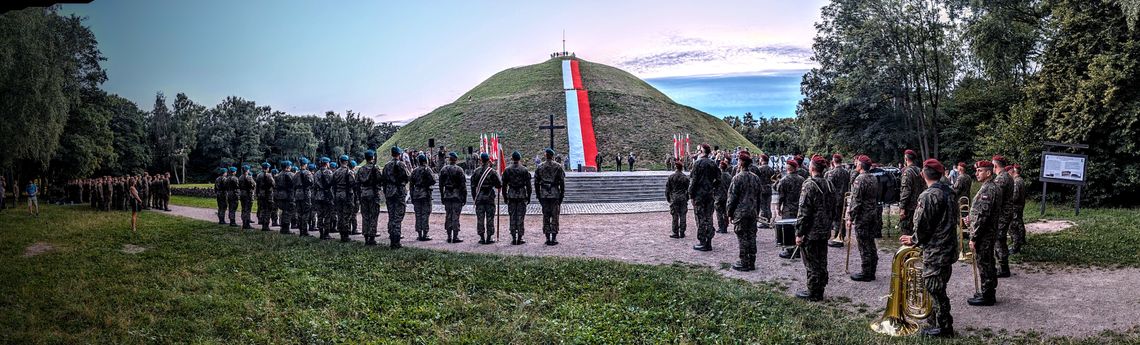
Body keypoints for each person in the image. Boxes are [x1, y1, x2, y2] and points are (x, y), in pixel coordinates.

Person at [899, 159, 958, 337]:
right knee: (940, 284)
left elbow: (922, 225)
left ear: (923, 174)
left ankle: (944, 328)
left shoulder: (928, 195)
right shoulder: (950, 191)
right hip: (948, 247)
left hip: (935, 250)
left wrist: (913, 239)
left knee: (935, 288)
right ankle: (935, 320)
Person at [795, 156, 835, 301]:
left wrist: (799, 233)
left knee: (811, 262)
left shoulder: (809, 185)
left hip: (811, 231)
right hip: (824, 229)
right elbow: (833, 207)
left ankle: (813, 292)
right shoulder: (829, 184)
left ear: (811, 168)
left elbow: (804, 212)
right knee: (822, 260)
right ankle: (820, 288)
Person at [966, 160, 1000, 306]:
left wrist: (974, 237)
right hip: (988, 232)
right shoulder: (990, 187)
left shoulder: (988, 189)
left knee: (984, 263)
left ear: (988, 172)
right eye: (977, 170)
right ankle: (988, 291)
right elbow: (981, 212)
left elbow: (983, 216)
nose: (977, 173)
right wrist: (971, 218)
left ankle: (987, 296)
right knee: (988, 262)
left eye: (980, 171)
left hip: (984, 234)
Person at [847, 155, 882, 282]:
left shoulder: (860, 179)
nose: (856, 165)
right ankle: (872, 270)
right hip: (873, 214)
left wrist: (850, 217)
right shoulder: (873, 177)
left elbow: (857, 201)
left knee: (864, 244)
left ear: (861, 165)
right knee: (870, 242)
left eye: (857, 163)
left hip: (863, 216)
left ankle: (866, 272)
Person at [727, 151, 761, 271]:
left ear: (741, 162)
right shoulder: (756, 178)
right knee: (752, 236)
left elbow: (732, 198)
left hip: (740, 213)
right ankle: (752, 261)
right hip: (752, 211)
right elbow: (759, 197)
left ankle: (744, 262)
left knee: (742, 237)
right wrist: (757, 211)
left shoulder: (737, 178)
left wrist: (729, 213)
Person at [688, 144, 721, 252]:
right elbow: (719, 179)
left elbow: (693, 181)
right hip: (709, 194)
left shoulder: (697, 163)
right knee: (709, 217)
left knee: (700, 218)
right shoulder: (713, 163)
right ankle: (709, 241)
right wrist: (712, 187)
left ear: (702, 152)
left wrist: (690, 194)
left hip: (699, 195)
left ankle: (703, 242)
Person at [535, 148, 566, 245]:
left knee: (546, 216)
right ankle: (554, 237)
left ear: (545, 155)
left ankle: (547, 237)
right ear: (553, 156)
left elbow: (536, 183)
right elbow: (562, 182)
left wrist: (538, 195)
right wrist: (561, 195)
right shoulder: (558, 166)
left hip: (544, 194)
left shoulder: (540, 166)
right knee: (555, 216)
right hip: (555, 194)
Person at [776, 160, 805, 259]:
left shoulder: (784, 180)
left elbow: (781, 196)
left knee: (788, 229)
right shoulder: (802, 179)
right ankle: (798, 251)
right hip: (799, 208)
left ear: (787, 168)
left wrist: (778, 208)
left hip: (788, 208)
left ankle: (790, 251)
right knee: (798, 228)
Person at [502, 151, 532, 245]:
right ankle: (520, 237)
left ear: (512, 158)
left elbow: (504, 186)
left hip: (511, 195)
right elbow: (528, 186)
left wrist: (505, 197)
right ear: (520, 158)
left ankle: (513, 237)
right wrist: (529, 196)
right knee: (520, 216)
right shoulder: (524, 170)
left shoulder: (507, 170)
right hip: (521, 195)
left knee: (512, 216)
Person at [990, 155, 1014, 277]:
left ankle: (1003, 268)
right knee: (1001, 240)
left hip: (1002, 214)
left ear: (995, 165)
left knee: (999, 241)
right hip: (1005, 213)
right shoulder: (1007, 176)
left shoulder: (1001, 178)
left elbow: (994, 197)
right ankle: (1003, 267)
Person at [471, 153, 501, 244]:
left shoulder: (476, 171)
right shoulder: (492, 172)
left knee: (480, 218)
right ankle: (489, 237)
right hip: (489, 197)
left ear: (481, 160)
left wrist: (474, 198)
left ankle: (481, 237)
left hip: (479, 197)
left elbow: (472, 186)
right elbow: (499, 184)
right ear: (488, 160)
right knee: (490, 217)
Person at [383, 147, 411, 248]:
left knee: (391, 215)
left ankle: (392, 237)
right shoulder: (401, 164)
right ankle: (396, 241)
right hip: (399, 191)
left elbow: (383, 180)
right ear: (399, 154)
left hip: (390, 192)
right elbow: (408, 176)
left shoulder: (386, 165)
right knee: (398, 216)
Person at [440, 152, 468, 243]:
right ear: (456, 159)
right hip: (457, 195)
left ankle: (449, 236)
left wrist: (442, 196)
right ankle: (455, 236)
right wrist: (464, 197)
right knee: (455, 216)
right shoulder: (459, 170)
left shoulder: (443, 169)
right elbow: (463, 185)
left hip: (447, 195)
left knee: (448, 215)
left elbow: (440, 185)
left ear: (449, 159)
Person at [825, 154, 852, 247]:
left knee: (836, 219)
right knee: (841, 218)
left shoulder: (832, 173)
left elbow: (829, 187)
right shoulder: (846, 172)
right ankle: (842, 235)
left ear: (833, 161)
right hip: (843, 198)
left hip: (835, 200)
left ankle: (838, 238)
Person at [410, 153, 437, 242]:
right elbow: (433, 180)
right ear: (425, 161)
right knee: (425, 214)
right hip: (425, 194)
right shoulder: (427, 169)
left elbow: (411, 184)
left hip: (416, 194)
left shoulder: (414, 170)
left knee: (418, 214)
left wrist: (412, 195)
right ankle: (425, 234)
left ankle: (419, 234)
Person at [332, 155, 357, 242]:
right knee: (347, 215)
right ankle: (345, 235)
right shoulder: (349, 172)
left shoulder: (336, 172)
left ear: (340, 161)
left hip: (338, 194)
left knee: (340, 214)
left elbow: (333, 183)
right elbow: (353, 183)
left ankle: (341, 233)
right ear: (347, 162)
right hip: (347, 195)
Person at [899, 149, 923, 236]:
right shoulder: (919, 170)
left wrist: (902, 207)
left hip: (909, 207)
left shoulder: (907, 172)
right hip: (918, 204)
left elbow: (906, 191)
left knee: (907, 231)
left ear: (906, 159)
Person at [665, 160, 690, 239]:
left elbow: (667, 189)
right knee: (683, 215)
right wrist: (687, 198)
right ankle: (682, 232)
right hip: (683, 197)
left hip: (674, 197)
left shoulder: (671, 177)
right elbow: (688, 189)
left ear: (675, 167)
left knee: (675, 216)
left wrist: (668, 198)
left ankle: (675, 232)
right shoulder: (685, 177)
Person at [752, 154, 778, 227]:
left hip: (761, 189)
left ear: (762, 160)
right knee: (768, 205)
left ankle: (764, 222)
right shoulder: (771, 169)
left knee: (762, 206)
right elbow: (775, 180)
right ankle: (769, 220)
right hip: (769, 188)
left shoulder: (759, 169)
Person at [1009, 165, 1028, 254]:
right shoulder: (1021, 180)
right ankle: (1022, 240)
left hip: (1015, 207)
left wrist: (1007, 200)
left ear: (1014, 171)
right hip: (1020, 205)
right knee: (1020, 223)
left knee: (1013, 227)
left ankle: (1015, 246)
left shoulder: (1016, 181)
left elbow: (1015, 196)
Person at [313, 158, 334, 239]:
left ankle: (321, 233)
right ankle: (326, 233)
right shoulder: (329, 172)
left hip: (318, 195)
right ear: (327, 163)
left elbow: (314, 185)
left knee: (320, 215)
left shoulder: (316, 173)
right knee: (327, 215)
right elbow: (331, 183)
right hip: (327, 195)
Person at [293, 159, 314, 236]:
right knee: (306, 212)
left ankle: (300, 230)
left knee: (299, 212)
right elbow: (312, 182)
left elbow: (293, 183)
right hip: (305, 193)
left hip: (297, 194)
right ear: (305, 164)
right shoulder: (308, 173)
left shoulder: (296, 174)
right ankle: (304, 230)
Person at [275, 161, 296, 234]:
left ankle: (282, 228)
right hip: (288, 195)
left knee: (283, 211)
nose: (291, 167)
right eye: (290, 165)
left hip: (280, 195)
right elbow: (295, 183)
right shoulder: (290, 174)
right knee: (288, 212)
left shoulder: (278, 175)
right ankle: (286, 229)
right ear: (287, 167)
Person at [714, 160, 732, 234]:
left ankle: (721, 227)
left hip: (719, 196)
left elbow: (714, 184)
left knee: (719, 212)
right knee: (725, 212)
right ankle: (725, 226)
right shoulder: (729, 176)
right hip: (727, 196)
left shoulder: (718, 176)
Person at [256, 163, 276, 231]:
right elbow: (273, 184)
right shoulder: (268, 175)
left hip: (261, 194)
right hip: (268, 194)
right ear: (267, 168)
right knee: (268, 210)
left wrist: (257, 194)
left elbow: (257, 186)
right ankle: (266, 225)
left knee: (262, 209)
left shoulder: (258, 175)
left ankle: (262, 222)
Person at [238, 165, 257, 229]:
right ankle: (247, 224)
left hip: (242, 193)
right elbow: (253, 184)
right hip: (248, 194)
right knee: (248, 209)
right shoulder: (248, 177)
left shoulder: (240, 177)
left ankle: (244, 222)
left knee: (243, 209)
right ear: (247, 170)